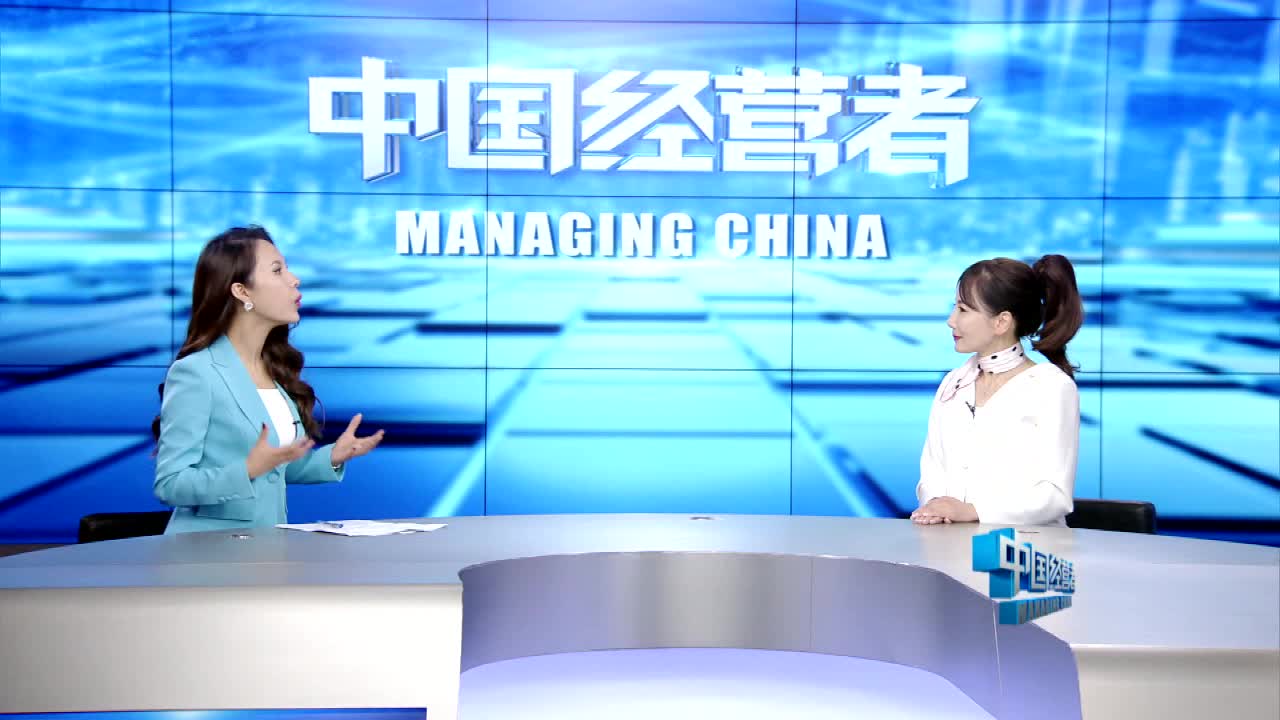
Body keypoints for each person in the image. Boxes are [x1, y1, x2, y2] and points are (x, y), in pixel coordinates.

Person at [152, 226, 384, 534]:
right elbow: (171, 484)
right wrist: (248, 469)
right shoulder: (196, 372)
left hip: (265, 548)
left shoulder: (272, 371)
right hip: (207, 551)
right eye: (277, 271)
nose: (294, 279)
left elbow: (275, 470)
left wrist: (334, 456)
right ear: (242, 291)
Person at [911, 255, 1084, 527]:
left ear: (1001, 322)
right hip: (947, 540)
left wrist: (972, 511)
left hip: (1026, 547)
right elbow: (931, 472)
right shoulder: (953, 383)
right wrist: (936, 507)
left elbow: (1054, 496)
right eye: (954, 308)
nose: (951, 320)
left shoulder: (1051, 387)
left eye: (963, 310)